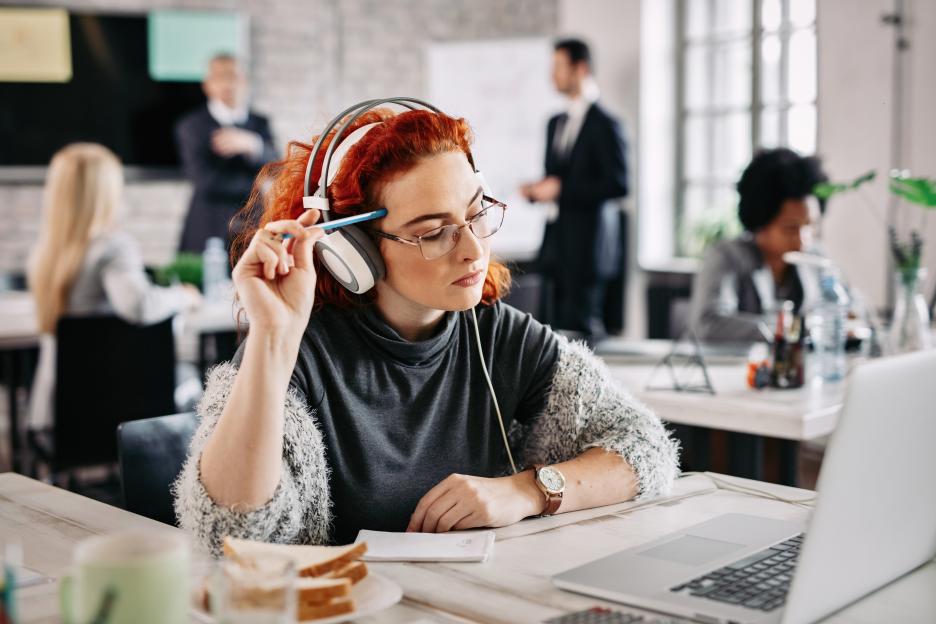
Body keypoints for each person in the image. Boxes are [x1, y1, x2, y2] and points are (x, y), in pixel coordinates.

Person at [173, 102, 679, 552]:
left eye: (477, 213)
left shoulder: (496, 334)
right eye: (434, 232)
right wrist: (271, 339)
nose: (474, 250)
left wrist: (527, 490)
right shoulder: (300, 353)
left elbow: (646, 448)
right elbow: (227, 535)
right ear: (353, 250)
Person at [27, 143, 200, 429]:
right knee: (188, 377)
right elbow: (140, 306)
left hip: (59, 408)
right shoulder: (112, 248)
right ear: (104, 193)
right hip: (116, 407)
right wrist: (182, 296)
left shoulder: (46, 253)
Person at [520, 38, 629, 343]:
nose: (552, 75)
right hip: (556, 242)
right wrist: (537, 190)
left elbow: (619, 184)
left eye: (558, 67)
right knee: (550, 329)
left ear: (580, 69)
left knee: (582, 335)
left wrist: (561, 189)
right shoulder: (555, 122)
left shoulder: (606, 124)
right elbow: (556, 178)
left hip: (589, 248)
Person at [688, 148, 829, 342]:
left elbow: (847, 310)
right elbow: (709, 324)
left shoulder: (815, 258)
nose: (803, 239)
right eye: (790, 228)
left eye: (810, 226)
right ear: (760, 224)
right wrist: (790, 329)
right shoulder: (727, 256)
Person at [175, 54, 277, 253]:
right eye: (219, 76)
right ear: (207, 85)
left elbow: (276, 166)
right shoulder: (191, 126)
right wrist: (257, 185)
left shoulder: (260, 123)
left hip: (253, 224)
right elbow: (204, 180)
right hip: (208, 224)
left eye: (232, 76)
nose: (226, 83)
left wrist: (253, 144)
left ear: (244, 81)